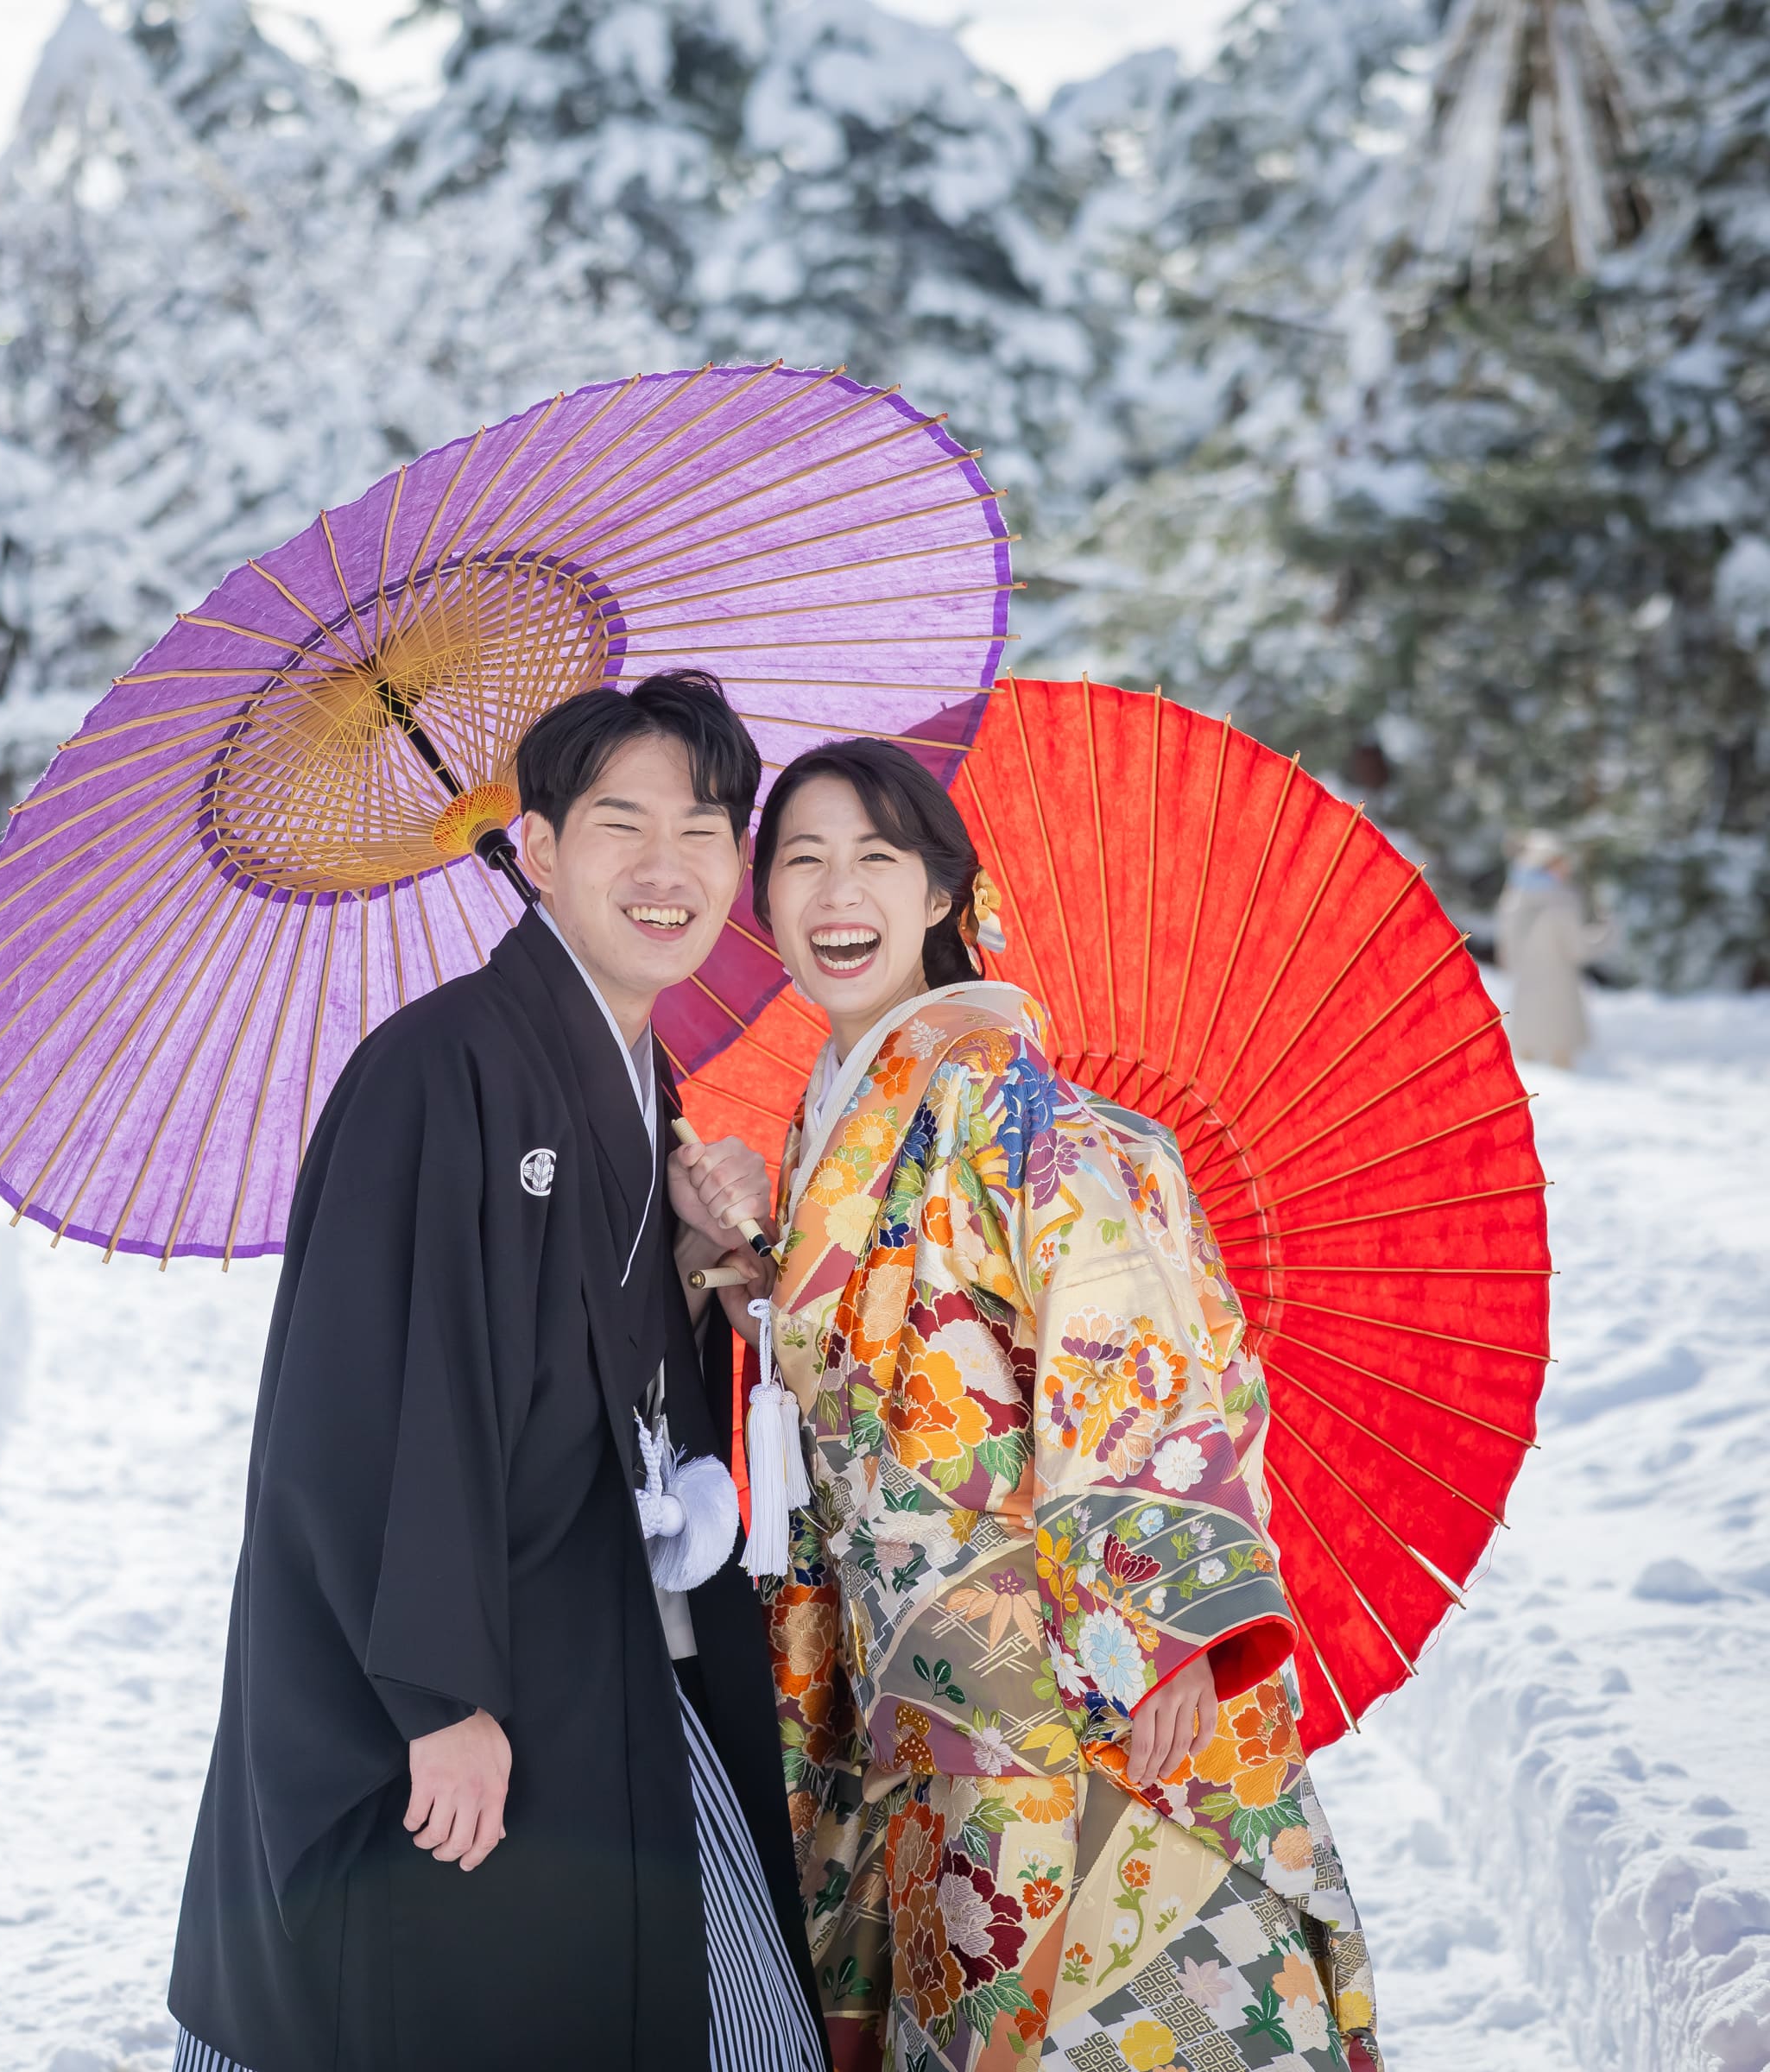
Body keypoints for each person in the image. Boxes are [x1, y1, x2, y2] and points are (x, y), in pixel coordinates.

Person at [168, 672, 826, 2071]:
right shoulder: (436, 1070)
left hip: (610, 1660)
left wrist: (703, 1277)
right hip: (474, 1690)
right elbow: (364, 1411)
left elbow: (613, 1390)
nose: (668, 870)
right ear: (537, 849)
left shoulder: (642, 1083)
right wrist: (439, 1699)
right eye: (621, 826)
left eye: (705, 829)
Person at [738, 739, 1383, 2072]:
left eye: (876, 857)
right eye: (802, 860)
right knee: (972, 1990)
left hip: (1059, 1657)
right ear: (766, 907)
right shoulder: (831, 1127)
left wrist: (1167, 1623)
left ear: (939, 893)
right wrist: (751, 1266)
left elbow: (1124, 1327)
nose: (836, 892)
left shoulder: (1002, 1094)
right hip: (912, 1672)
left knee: (1106, 1996)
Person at [1496, 831, 1605, 1069]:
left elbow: (1506, 952)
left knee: (1526, 1067)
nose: (1566, 868)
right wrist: (1607, 932)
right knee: (1561, 1060)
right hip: (1559, 991)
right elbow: (1579, 949)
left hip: (1526, 992)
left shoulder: (1513, 899)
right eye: (1559, 863)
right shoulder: (1562, 900)